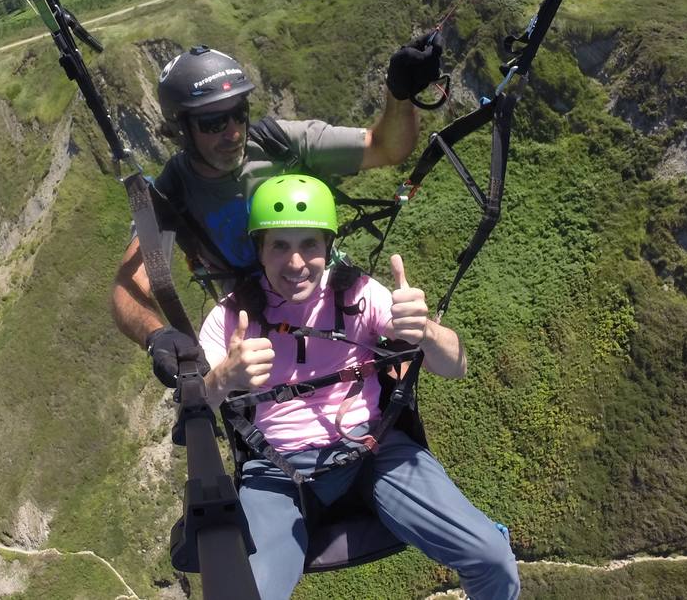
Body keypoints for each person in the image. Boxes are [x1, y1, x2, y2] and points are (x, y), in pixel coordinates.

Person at [199, 175, 519, 600]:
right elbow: (196, 409)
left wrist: (425, 331)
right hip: (275, 468)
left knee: (492, 556)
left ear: (327, 247)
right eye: (280, 245)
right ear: (259, 250)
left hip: (374, 449)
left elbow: (456, 365)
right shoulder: (231, 318)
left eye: (309, 244)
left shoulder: (359, 295)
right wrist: (223, 378)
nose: (296, 263)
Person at [110, 37, 445, 386]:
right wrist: (157, 337)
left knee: (395, 388)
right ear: (180, 129)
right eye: (213, 123)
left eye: (238, 113)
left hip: (328, 292)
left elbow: (386, 147)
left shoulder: (276, 142)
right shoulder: (170, 194)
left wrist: (399, 95)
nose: (233, 132)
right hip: (255, 324)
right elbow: (128, 287)